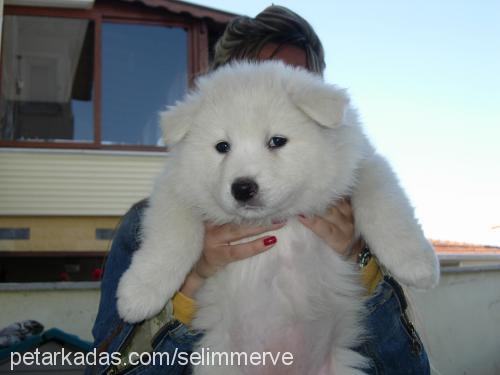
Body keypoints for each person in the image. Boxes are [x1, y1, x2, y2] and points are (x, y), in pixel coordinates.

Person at [87, 6, 430, 375]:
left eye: (294, 78)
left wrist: (362, 260)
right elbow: (106, 370)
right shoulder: (144, 223)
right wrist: (188, 283)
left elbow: (409, 369)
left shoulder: (353, 201)